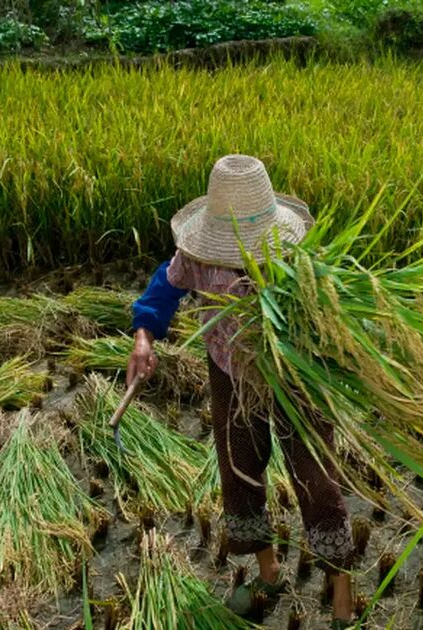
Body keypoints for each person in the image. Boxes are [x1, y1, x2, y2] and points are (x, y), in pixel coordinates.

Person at [127, 154, 356, 628]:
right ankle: (268, 570)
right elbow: (163, 289)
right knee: (239, 465)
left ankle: (341, 589)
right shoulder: (196, 257)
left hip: (293, 375)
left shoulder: (293, 257)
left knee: (315, 473)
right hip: (230, 373)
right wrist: (144, 337)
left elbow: (331, 315)